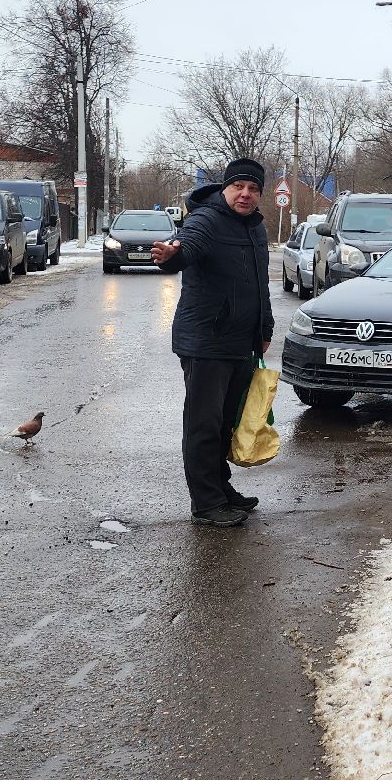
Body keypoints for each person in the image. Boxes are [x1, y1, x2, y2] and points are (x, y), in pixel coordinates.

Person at [151, 158, 275, 528]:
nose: (245, 194)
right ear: (225, 188)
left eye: (253, 189)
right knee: (204, 424)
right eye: (239, 186)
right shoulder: (206, 218)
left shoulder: (254, 227)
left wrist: (264, 328)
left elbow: (259, 284)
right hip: (206, 340)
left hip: (241, 342)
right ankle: (206, 503)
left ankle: (222, 489)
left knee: (226, 424)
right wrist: (171, 257)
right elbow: (187, 247)